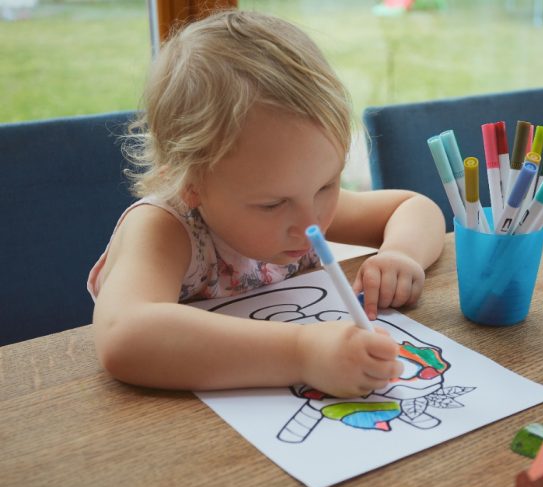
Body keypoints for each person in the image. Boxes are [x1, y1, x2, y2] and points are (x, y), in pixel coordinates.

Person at [89, 9, 445, 398]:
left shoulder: (301, 201)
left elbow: (413, 207)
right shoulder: (165, 229)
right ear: (192, 185)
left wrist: (401, 255)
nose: (312, 224)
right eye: (273, 204)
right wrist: (302, 353)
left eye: (327, 185)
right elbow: (123, 336)